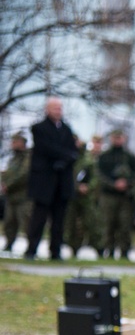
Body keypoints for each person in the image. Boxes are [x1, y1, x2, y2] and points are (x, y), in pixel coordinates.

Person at [24, 97, 78, 261]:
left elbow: (73, 152)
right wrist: (64, 156)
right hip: (44, 182)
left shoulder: (67, 130)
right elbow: (45, 148)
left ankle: (55, 251)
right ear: (47, 109)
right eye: (55, 108)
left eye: (60, 108)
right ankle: (31, 250)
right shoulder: (39, 128)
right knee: (38, 219)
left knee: (59, 220)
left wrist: (63, 160)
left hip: (61, 183)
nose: (58, 111)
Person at [97, 128, 135, 259]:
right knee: (108, 223)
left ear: (124, 138)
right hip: (108, 195)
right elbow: (100, 175)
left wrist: (127, 184)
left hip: (125, 197)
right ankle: (107, 250)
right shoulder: (104, 157)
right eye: (115, 137)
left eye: (120, 137)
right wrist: (113, 184)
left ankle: (124, 251)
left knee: (125, 225)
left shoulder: (130, 157)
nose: (117, 140)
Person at [63, 135, 102, 257]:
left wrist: (88, 187)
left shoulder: (87, 158)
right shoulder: (68, 156)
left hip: (86, 196)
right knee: (71, 223)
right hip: (71, 194)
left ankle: (98, 247)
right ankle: (73, 247)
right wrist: (74, 187)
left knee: (91, 222)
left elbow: (95, 177)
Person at [2, 132, 32, 252]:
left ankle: (31, 247)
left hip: (23, 196)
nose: (13, 144)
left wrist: (8, 185)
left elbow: (24, 174)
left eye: (15, 142)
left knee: (26, 222)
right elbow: (8, 173)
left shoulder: (27, 157)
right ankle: (9, 244)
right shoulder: (13, 158)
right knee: (9, 222)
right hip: (11, 196)